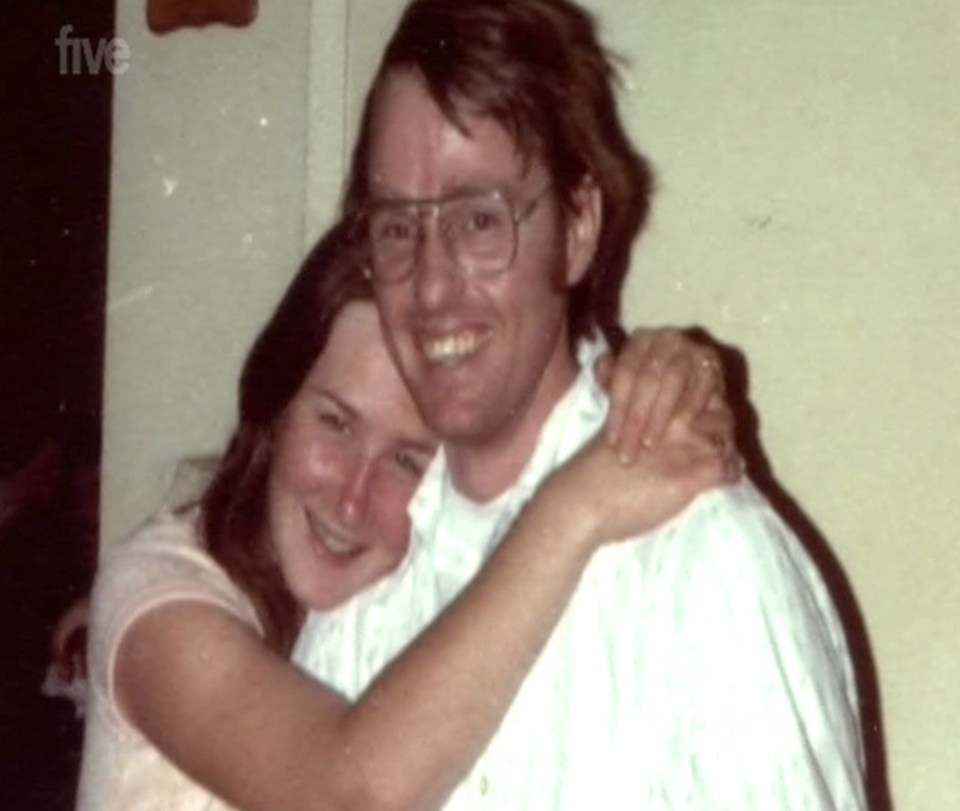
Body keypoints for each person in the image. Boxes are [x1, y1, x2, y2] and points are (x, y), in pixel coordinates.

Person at [293, 0, 867, 808]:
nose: (429, 285)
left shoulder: (706, 562)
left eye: (481, 221)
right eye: (396, 228)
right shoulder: (365, 577)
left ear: (579, 226)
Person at [76, 221, 735, 810]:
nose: (352, 498)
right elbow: (347, 794)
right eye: (335, 422)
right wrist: (574, 508)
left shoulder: (409, 599)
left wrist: (664, 376)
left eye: (406, 459)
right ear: (273, 404)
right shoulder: (158, 590)